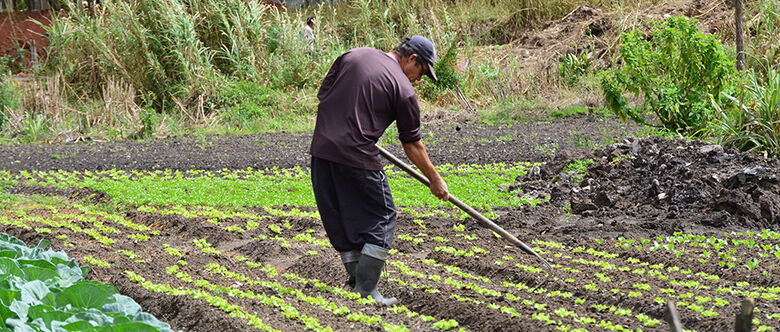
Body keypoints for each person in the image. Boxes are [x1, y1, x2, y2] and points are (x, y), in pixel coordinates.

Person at [310, 36, 449, 305]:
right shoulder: (404, 90)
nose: (418, 80)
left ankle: (356, 285)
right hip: (357, 156)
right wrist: (435, 179)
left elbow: (324, 95)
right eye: (421, 72)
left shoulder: (354, 55)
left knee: (346, 219)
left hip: (322, 152)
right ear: (411, 59)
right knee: (383, 217)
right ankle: (368, 290)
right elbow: (412, 144)